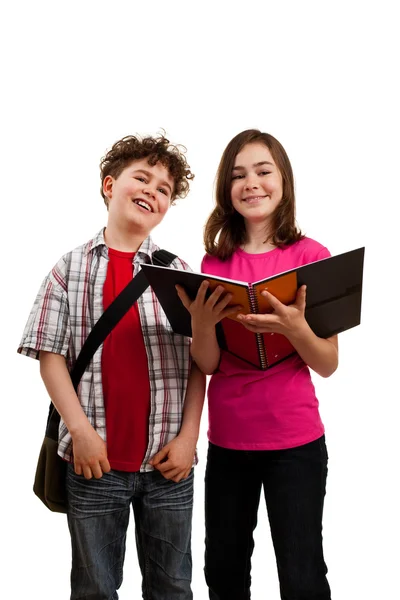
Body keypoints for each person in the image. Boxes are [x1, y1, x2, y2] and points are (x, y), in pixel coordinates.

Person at [18, 134, 206, 600]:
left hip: (168, 468)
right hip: (94, 465)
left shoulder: (179, 271)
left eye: (164, 188)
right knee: (95, 590)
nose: (152, 191)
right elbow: (50, 356)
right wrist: (79, 431)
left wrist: (188, 439)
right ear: (109, 185)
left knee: (173, 588)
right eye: (141, 178)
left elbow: (199, 364)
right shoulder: (69, 269)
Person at [176, 129, 337, 600]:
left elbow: (327, 364)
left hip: (297, 442)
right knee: (224, 572)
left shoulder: (311, 257)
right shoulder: (213, 263)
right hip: (228, 443)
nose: (252, 183)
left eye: (263, 171)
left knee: (302, 573)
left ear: (282, 180)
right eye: (238, 175)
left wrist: (294, 329)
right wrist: (202, 325)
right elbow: (205, 364)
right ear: (227, 190)